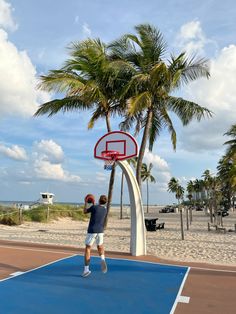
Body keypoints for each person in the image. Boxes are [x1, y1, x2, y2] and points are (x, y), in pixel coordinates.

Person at [82, 194, 108, 277]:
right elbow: (96, 210)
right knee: (100, 246)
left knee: (88, 248)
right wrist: (93, 204)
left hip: (92, 231)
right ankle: (102, 258)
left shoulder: (94, 207)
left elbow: (85, 211)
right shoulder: (105, 209)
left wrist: (86, 202)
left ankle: (86, 270)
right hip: (100, 231)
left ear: (99, 200)